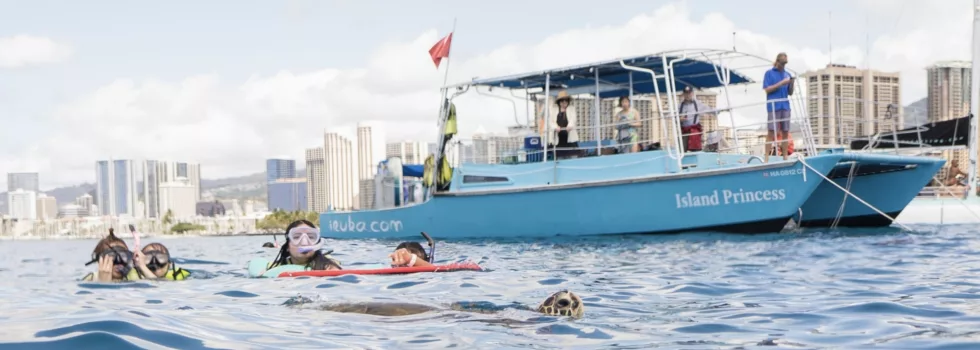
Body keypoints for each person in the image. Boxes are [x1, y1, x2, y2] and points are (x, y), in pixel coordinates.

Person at [248, 220, 342, 277]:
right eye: (296, 237)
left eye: (311, 237)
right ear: (287, 247)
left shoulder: (327, 263)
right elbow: (257, 265)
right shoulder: (277, 266)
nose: (304, 242)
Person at [763, 52, 794, 162]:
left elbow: (790, 92)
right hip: (773, 106)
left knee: (785, 131)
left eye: (784, 64)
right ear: (777, 62)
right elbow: (767, 89)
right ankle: (766, 157)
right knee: (771, 131)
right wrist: (781, 83)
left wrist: (792, 83)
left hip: (785, 105)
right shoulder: (769, 73)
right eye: (781, 64)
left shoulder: (787, 74)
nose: (783, 66)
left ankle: (785, 156)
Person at [546, 90, 580, 159]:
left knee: (573, 158)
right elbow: (550, 122)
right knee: (560, 159)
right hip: (558, 140)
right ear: (559, 102)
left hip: (570, 140)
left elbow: (573, 119)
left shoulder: (572, 108)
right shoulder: (553, 110)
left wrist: (570, 126)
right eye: (562, 100)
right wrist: (555, 127)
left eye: (566, 100)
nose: (564, 102)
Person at [678, 86, 711, 152]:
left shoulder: (698, 104)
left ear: (692, 93)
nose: (687, 95)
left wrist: (722, 110)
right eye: (686, 93)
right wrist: (679, 119)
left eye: (689, 93)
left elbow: (709, 109)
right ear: (683, 94)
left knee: (695, 150)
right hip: (684, 131)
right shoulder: (679, 105)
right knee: (681, 150)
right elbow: (673, 117)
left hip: (694, 131)